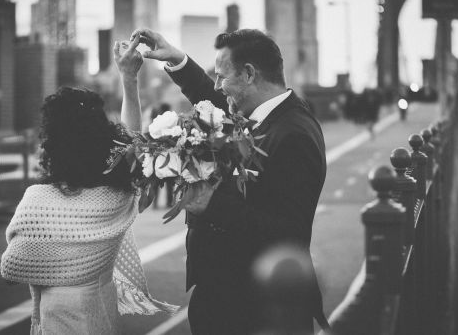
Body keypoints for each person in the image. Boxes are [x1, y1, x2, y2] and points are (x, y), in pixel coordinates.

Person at [132, 27, 330, 334]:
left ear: (249, 74)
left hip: (256, 306)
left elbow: (289, 231)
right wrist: (176, 59)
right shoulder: (266, 112)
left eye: (222, 76)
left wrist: (212, 203)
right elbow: (213, 99)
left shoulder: (293, 135)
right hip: (225, 294)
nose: (217, 85)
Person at [0, 35, 177, 335]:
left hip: (56, 320)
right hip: (101, 315)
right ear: (101, 136)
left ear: (52, 142)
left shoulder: (37, 201)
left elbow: (10, 269)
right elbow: (130, 140)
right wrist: (128, 78)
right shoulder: (116, 196)